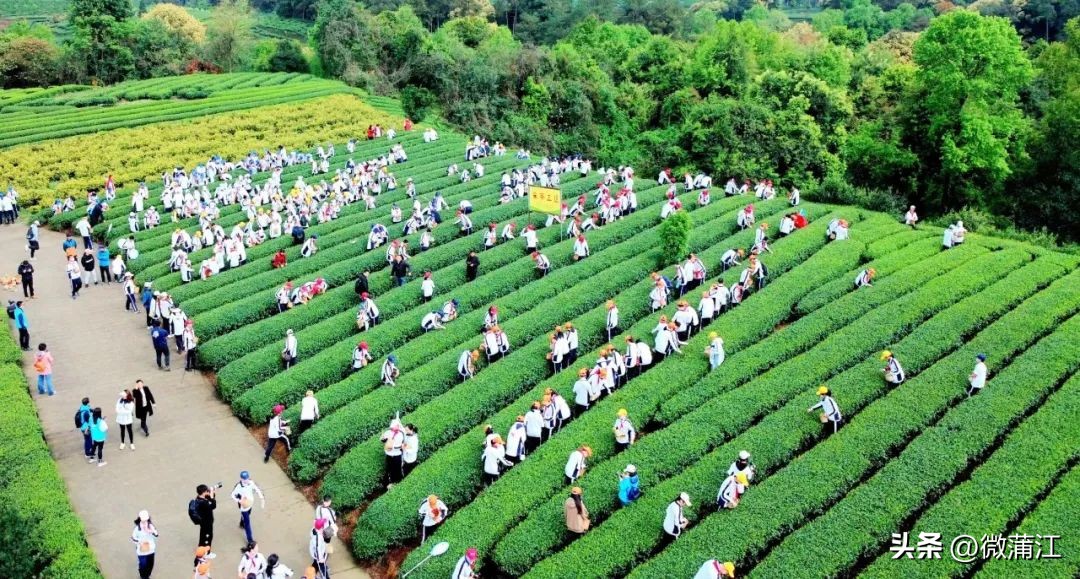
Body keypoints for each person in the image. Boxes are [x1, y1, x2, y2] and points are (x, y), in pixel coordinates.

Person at [232, 471, 266, 544]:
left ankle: (241, 523)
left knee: (248, 514)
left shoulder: (251, 483)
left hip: (250, 504)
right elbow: (232, 495)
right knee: (247, 523)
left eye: (247, 478)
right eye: (244, 479)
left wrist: (262, 498)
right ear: (241, 479)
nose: (246, 480)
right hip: (243, 507)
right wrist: (239, 500)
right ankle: (250, 540)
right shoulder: (238, 486)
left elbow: (257, 490)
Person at [131, 510, 159, 579]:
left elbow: (156, 535)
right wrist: (139, 542)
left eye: (146, 520)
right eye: (143, 520)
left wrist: (151, 531)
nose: (145, 521)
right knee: (143, 565)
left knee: (150, 565)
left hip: (151, 550)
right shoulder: (137, 529)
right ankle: (143, 576)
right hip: (141, 551)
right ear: (140, 519)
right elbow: (133, 538)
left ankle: (147, 575)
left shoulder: (151, 526)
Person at [192, 484, 218, 557]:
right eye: (206, 491)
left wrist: (213, 494)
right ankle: (207, 553)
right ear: (203, 492)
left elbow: (209, 499)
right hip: (207, 523)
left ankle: (200, 549)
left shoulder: (198, 499)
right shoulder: (203, 503)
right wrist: (212, 496)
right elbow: (213, 505)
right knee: (208, 537)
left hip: (203, 522)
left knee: (202, 536)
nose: (207, 492)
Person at [381, 418, 406, 484]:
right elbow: (383, 440)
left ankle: (398, 481)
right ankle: (389, 481)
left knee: (397, 468)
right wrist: (383, 439)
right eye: (395, 426)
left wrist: (392, 447)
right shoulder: (388, 432)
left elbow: (400, 445)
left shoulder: (401, 434)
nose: (396, 427)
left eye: (397, 426)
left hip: (397, 455)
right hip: (389, 455)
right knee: (389, 468)